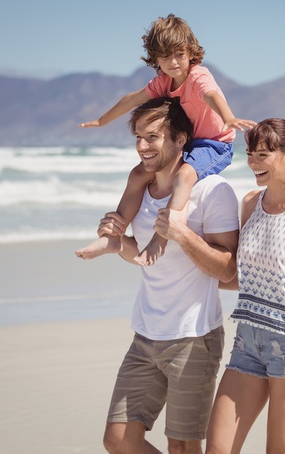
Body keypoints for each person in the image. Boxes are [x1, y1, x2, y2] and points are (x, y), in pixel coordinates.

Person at [95, 97, 239, 454]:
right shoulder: (142, 190)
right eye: (139, 137)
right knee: (118, 440)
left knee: (183, 447)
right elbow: (147, 257)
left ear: (180, 139)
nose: (143, 146)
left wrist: (183, 233)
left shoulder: (212, 191)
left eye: (153, 137)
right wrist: (118, 245)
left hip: (194, 337)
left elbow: (228, 269)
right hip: (145, 334)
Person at [75, 13, 254, 265]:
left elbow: (211, 95)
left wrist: (228, 116)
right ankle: (114, 236)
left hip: (213, 144)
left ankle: (161, 237)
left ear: (191, 52)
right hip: (187, 141)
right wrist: (102, 120)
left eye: (179, 54)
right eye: (165, 55)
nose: (173, 62)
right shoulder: (163, 81)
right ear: (155, 57)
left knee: (184, 175)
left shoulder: (198, 76)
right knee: (139, 174)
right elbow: (132, 99)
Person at [205, 118, 285, 454]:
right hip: (247, 341)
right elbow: (239, 276)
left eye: (263, 154)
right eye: (250, 153)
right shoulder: (250, 203)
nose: (253, 162)